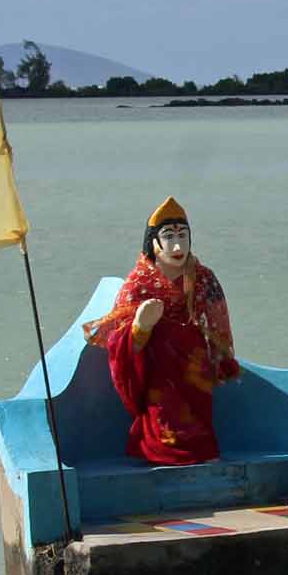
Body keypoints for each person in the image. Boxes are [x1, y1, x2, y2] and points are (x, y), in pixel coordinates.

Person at [83, 196, 240, 465]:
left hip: (193, 365)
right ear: (154, 244)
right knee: (165, 420)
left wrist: (216, 357)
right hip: (159, 369)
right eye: (169, 237)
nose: (178, 245)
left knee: (199, 424)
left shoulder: (203, 278)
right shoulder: (138, 284)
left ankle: (200, 450)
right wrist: (141, 326)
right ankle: (163, 453)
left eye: (183, 236)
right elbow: (119, 342)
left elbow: (217, 322)